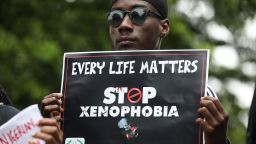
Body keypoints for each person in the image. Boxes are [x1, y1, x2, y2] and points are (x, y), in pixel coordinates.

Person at [41, 0, 229, 144]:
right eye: (115, 17)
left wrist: (218, 141)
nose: (124, 25)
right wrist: (50, 135)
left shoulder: (196, 92)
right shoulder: (77, 94)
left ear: (164, 27)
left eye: (138, 15)